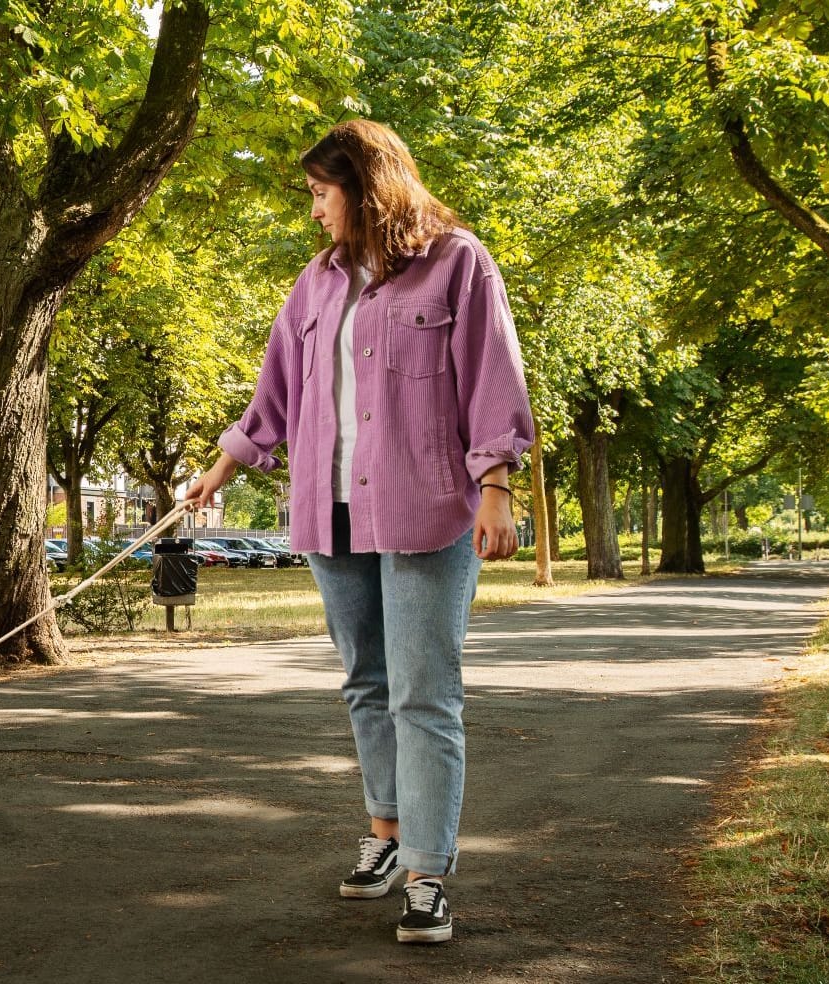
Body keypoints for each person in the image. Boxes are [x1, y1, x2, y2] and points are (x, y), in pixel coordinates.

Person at [182, 120, 534, 944]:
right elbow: (275, 392)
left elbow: (491, 379)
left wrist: (494, 489)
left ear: (364, 186)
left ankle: (426, 872)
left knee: (423, 695)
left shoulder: (457, 263)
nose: (312, 211)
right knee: (365, 686)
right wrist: (221, 469)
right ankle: (383, 834)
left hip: (425, 510)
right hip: (328, 511)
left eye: (319, 192)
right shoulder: (315, 282)